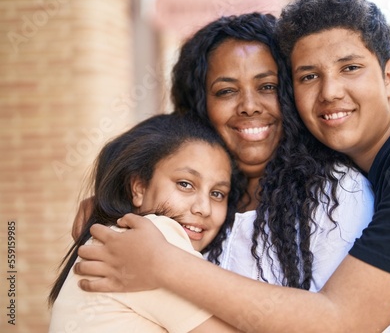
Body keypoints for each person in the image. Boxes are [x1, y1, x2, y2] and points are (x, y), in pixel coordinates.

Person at [74, 0, 390, 332]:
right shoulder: (225, 199)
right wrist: (114, 205)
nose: (331, 92)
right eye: (308, 76)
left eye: (350, 68)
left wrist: (164, 264)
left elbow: (341, 321)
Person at [71, 12, 375, 293]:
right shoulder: (187, 202)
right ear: (200, 107)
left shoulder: (337, 194)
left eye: (268, 86)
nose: (249, 105)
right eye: (226, 91)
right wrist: (109, 208)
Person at [48, 114, 245, 332]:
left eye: (217, 193)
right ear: (139, 188)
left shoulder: (118, 239)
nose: (204, 208)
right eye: (185, 184)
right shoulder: (154, 237)